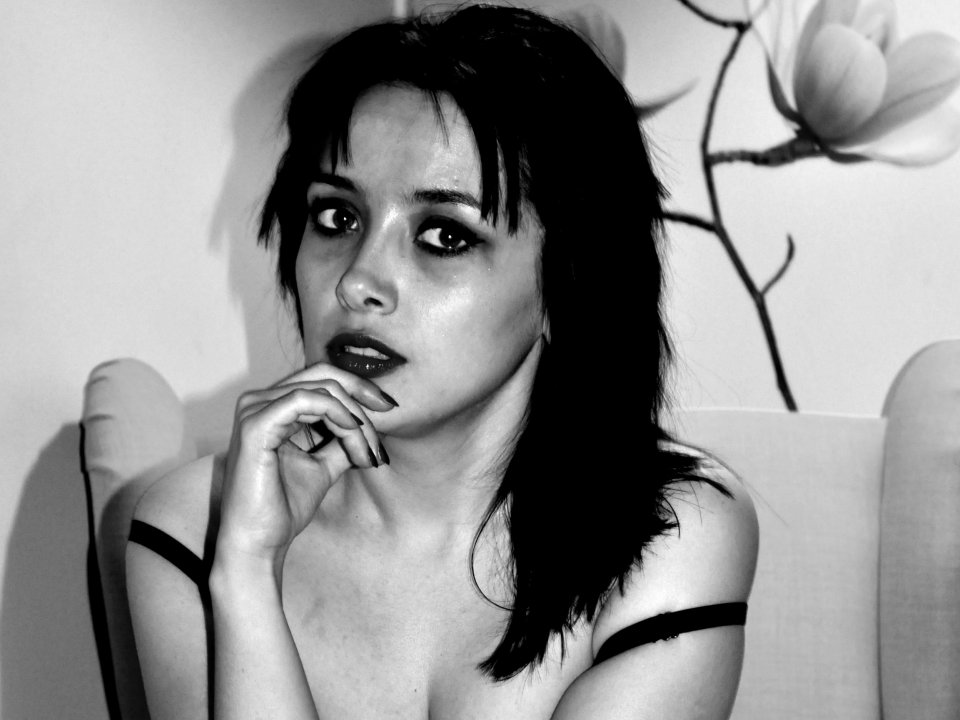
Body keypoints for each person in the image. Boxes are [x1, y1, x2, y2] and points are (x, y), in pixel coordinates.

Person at [126, 5, 759, 719]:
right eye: (337, 217)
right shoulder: (194, 528)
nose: (357, 281)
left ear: (567, 286)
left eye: (444, 235)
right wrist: (246, 571)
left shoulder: (665, 532)